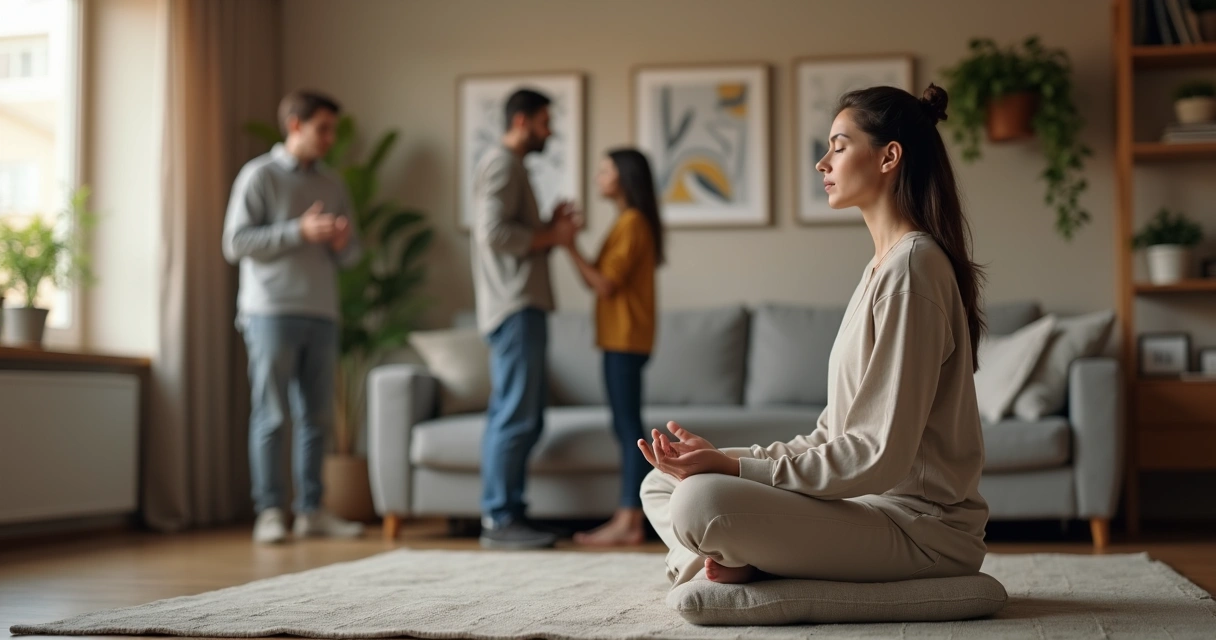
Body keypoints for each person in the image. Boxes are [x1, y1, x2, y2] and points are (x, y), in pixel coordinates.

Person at [638, 84, 990, 587]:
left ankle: (718, 560)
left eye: (839, 146)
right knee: (663, 481)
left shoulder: (913, 268)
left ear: (889, 156)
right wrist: (721, 460)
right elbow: (832, 437)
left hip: (920, 529)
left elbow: (877, 456)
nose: (822, 163)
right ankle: (734, 557)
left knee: (701, 500)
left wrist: (732, 473)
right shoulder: (881, 268)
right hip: (862, 505)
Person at [222, 90, 365, 544]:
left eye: (333, 131)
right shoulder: (258, 176)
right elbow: (236, 243)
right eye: (323, 129)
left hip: (322, 312)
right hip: (270, 312)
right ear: (295, 125)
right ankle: (269, 511)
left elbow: (353, 253)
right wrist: (297, 230)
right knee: (272, 415)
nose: (330, 139)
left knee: (316, 417)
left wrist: (341, 244)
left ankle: (312, 510)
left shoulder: (333, 183)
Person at [472, 88, 581, 549]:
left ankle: (511, 513)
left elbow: (511, 231)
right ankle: (499, 518)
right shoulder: (501, 163)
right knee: (516, 415)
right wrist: (552, 235)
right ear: (520, 121)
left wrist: (548, 230)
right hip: (514, 306)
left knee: (524, 415)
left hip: (521, 305)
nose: (549, 131)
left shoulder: (512, 167)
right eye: (543, 122)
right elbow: (492, 232)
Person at [561, 149, 665, 547]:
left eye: (604, 170)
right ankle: (629, 517)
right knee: (625, 427)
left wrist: (568, 245)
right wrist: (574, 243)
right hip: (622, 339)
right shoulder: (626, 222)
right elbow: (603, 279)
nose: (598, 177)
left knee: (626, 430)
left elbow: (604, 284)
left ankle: (630, 519)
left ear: (623, 176)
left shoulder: (633, 222)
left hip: (624, 340)